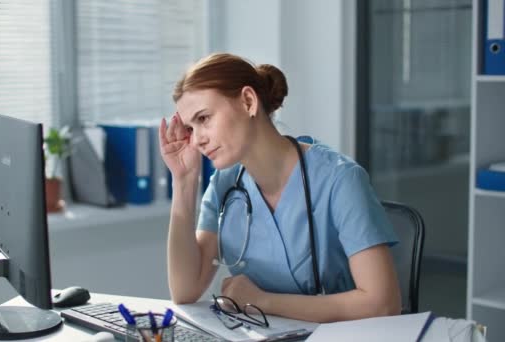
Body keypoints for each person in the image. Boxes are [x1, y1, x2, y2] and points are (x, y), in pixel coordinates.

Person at [159, 53, 401, 323]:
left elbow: (382, 303)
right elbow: (185, 290)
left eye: (204, 119)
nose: (198, 141)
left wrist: (262, 301)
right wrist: (184, 180)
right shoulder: (224, 185)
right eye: (191, 128)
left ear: (248, 101)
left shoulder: (339, 179)